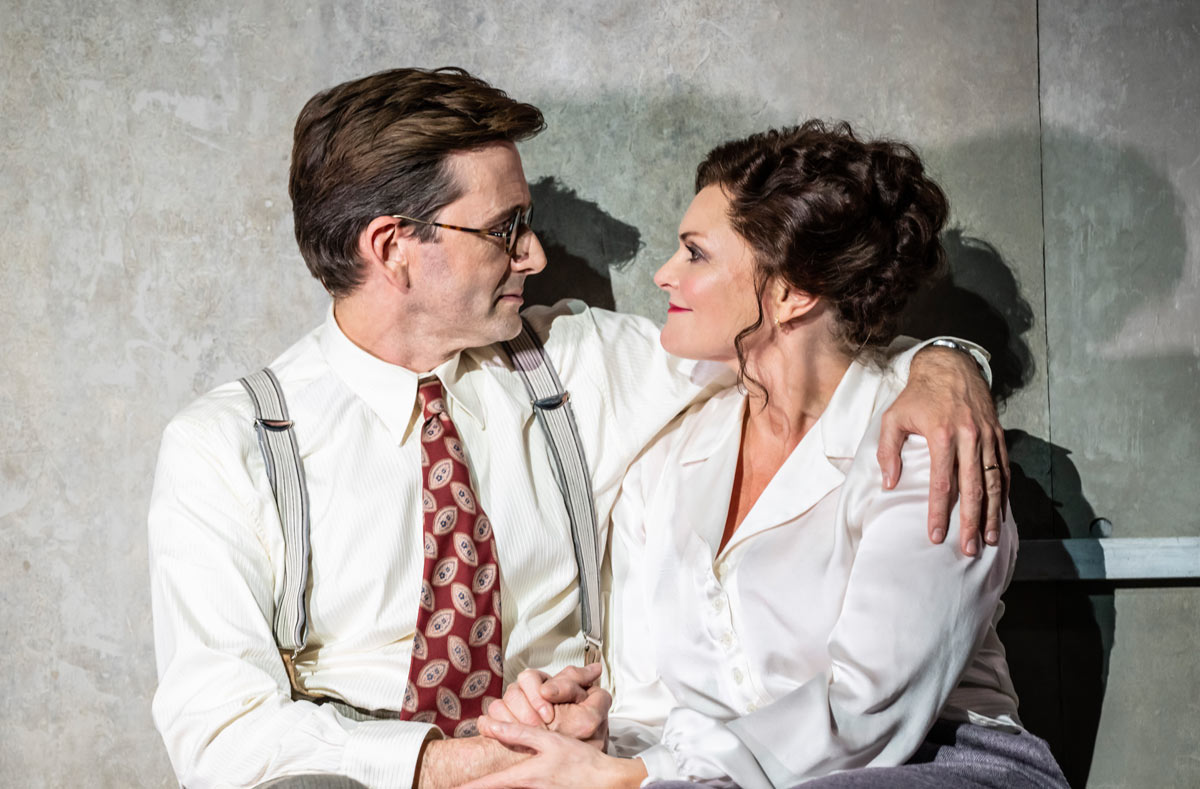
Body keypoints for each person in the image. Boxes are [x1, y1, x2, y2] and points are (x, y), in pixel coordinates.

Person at [148, 69, 1008, 789]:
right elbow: (218, 732)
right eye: (504, 230)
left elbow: (798, 332)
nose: (533, 257)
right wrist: (457, 762)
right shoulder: (228, 448)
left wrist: (946, 359)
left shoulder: (583, 361)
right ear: (391, 246)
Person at [464, 123, 1068, 788]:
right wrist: (597, 736)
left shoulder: (927, 440)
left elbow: (867, 710)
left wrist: (635, 777)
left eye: (695, 253)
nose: (664, 273)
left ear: (791, 292)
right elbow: (648, 698)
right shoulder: (671, 445)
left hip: (936, 761)